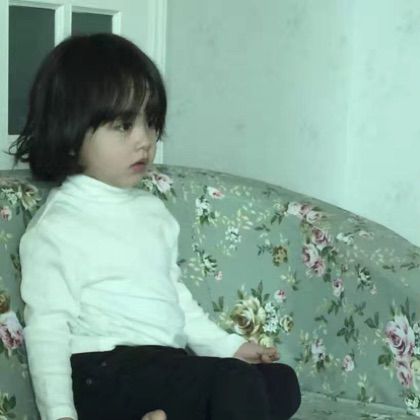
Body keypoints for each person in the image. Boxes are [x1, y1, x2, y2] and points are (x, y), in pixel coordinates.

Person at [9, 33, 301, 420]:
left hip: (164, 366)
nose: (144, 140)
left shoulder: (152, 211)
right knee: (235, 384)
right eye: (124, 125)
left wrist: (226, 346)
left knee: (281, 382)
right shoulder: (58, 226)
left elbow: (175, 299)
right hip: (101, 373)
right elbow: (47, 329)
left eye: (150, 123)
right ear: (71, 132)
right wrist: (61, 414)